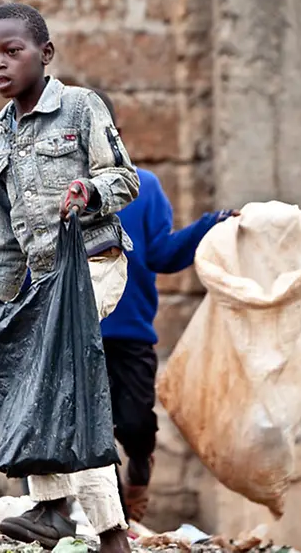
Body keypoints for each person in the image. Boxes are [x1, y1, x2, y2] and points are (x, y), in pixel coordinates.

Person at [0, 2, 140, 553]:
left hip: (95, 262)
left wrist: (90, 191)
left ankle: (53, 509)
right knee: (58, 387)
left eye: (11, 51)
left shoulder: (80, 109)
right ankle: (108, 531)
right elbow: (3, 241)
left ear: (45, 55)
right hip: (45, 281)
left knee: (53, 372)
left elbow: (125, 178)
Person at [90, 88, 238, 525]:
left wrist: (209, 227)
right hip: (79, 333)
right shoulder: (61, 194)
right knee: (93, 434)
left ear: (115, 136)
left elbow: (163, 255)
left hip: (131, 334)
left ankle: (141, 462)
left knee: (135, 424)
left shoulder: (145, 187)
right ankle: (117, 518)